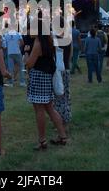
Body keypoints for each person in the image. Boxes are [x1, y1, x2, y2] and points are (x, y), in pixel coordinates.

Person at [25, 18, 67, 151]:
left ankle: (42, 140)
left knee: (39, 110)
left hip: (38, 77)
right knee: (50, 108)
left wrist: (26, 52)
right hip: (47, 76)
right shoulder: (48, 41)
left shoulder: (37, 43)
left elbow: (30, 64)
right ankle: (62, 136)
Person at [53, 33, 73, 130]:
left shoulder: (54, 39)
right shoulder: (68, 38)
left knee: (58, 96)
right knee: (66, 95)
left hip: (58, 70)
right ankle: (65, 120)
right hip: (66, 68)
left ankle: (60, 122)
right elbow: (70, 54)